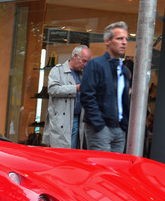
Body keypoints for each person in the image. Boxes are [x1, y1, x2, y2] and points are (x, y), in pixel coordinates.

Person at [80, 21, 131, 153]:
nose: (124, 42)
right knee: (101, 169)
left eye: (126, 39)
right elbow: (87, 96)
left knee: (115, 171)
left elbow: (123, 100)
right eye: (119, 38)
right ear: (108, 41)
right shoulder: (95, 65)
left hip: (119, 129)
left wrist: (124, 126)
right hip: (100, 128)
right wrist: (99, 125)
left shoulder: (124, 70)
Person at [42, 45, 91, 149]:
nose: (85, 64)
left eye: (87, 62)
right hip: (62, 121)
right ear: (75, 56)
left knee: (74, 152)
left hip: (78, 119)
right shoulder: (57, 70)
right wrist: (76, 88)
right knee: (61, 154)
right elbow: (52, 89)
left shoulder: (83, 74)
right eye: (83, 61)